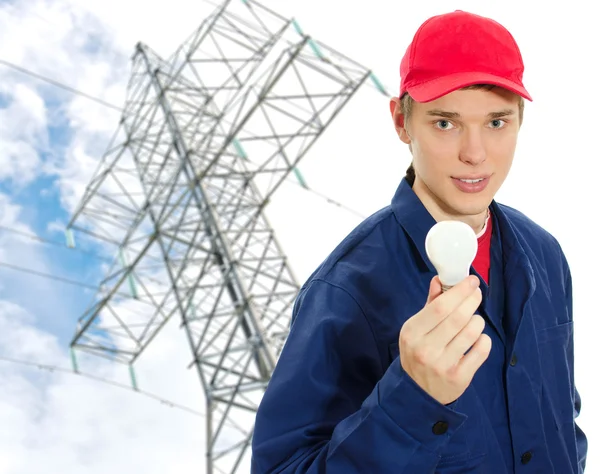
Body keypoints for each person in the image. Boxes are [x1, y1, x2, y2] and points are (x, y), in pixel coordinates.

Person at [251, 10, 588, 473]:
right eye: (445, 123)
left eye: (496, 122)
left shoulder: (545, 254)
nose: (474, 154)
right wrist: (412, 400)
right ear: (401, 122)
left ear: (519, 121)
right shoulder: (346, 290)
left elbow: (562, 419)